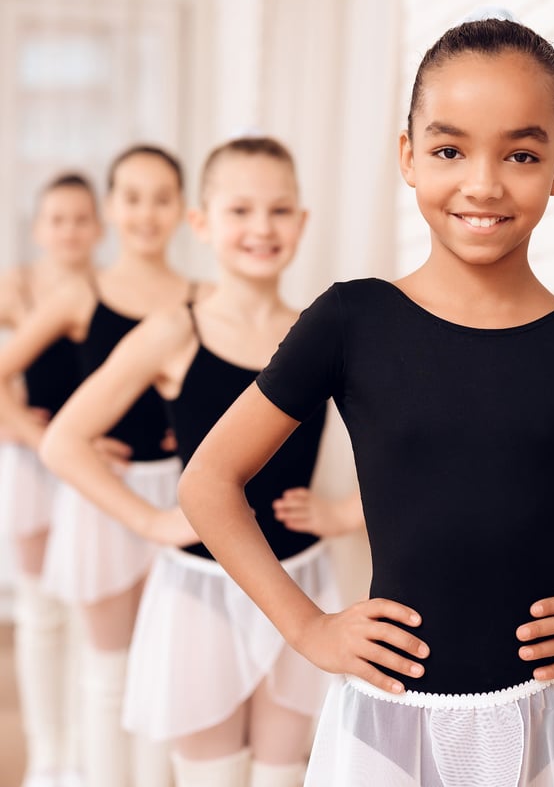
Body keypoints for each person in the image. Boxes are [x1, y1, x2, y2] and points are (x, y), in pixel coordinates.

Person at [176, 17, 554, 786]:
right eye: (450, 150)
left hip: (542, 713)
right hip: (385, 715)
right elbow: (207, 481)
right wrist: (308, 627)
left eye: (521, 154)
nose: (483, 183)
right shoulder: (351, 320)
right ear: (408, 157)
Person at [41, 136, 354, 787]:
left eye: (278, 210)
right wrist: (153, 522)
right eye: (240, 210)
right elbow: (63, 441)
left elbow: (405, 446)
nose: (261, 228)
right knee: (209, 774)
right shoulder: (174, 329)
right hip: (201, 591)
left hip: (298, 581)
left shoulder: (322, 333)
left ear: (301, 222)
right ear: (203, 223)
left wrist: (345, 512)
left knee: (281, 772)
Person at [0, 144, 198, 787]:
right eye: (132, 198)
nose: (145, 213)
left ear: (182, 210)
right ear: (112, 208)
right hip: (100, 493)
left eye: (160, 198)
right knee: (107, 671)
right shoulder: (82, 294)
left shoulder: (201, 299)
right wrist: (42, 435)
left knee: (163, 664)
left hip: (178, 495)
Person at [0, 172, 102, 787]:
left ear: (97, 228)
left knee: (88, 613)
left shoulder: (104, 293)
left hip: (93, 471)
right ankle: (47, 753)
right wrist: (38, 435)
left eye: (80, 219)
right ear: (39, 229)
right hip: (37, 467)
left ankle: (86, 755)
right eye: (57, 219)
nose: (68, 230)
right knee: (41, 615)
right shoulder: (15, 291)